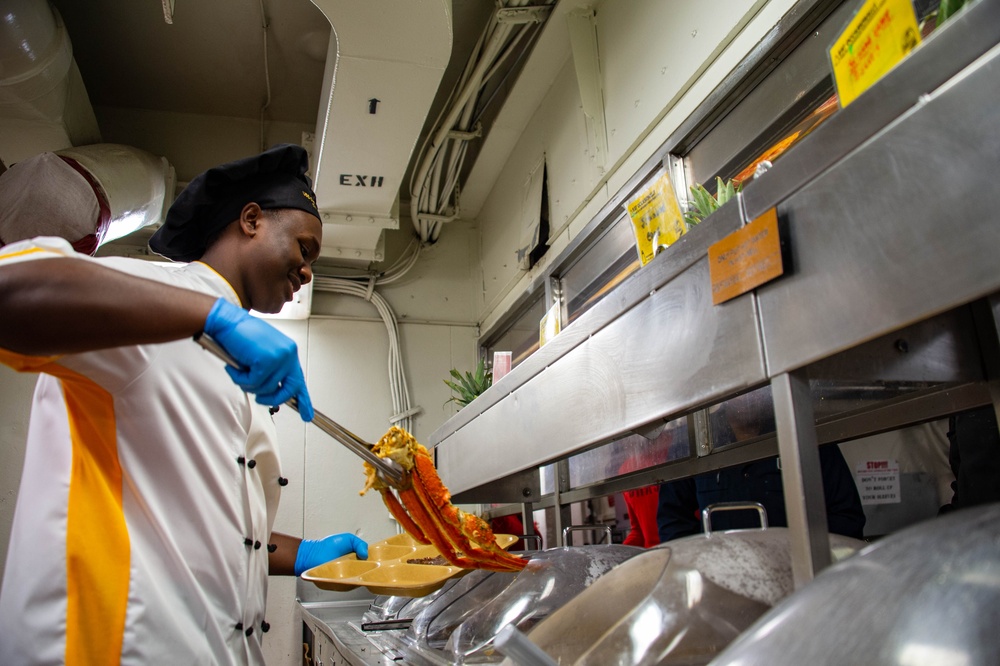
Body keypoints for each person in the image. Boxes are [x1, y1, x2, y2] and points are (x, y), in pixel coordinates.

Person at [0, 144, 368, 665]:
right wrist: (210, 317)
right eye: (305, 249)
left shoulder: (236, 364)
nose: (308, 272)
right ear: (251, 219)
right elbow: (9, 288)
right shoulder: (151, 292)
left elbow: (214, 530)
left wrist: (303, 554)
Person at [657, 388, 866, 542]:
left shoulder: (801, 431)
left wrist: (802, 555)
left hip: (796, 583)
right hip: (721, 585)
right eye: (738, 383)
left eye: (755, 385)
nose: (746, 394)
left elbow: (847, 516)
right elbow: (672, 522)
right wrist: (707, 564)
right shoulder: (694, 440)